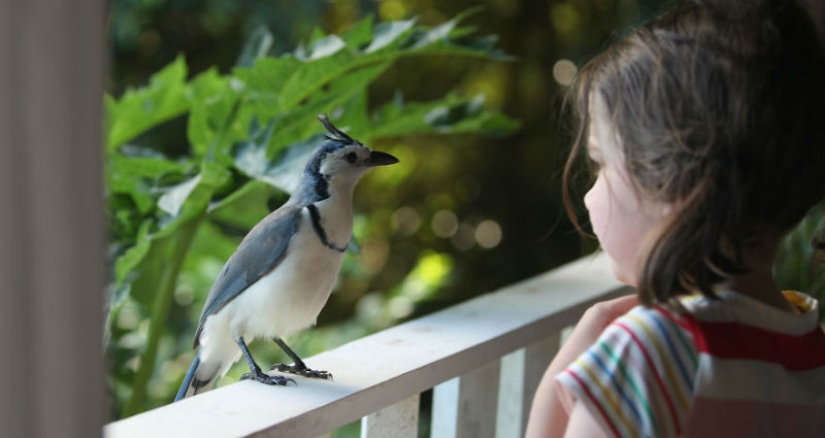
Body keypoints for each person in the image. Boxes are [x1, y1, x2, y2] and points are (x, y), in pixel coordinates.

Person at [525, 0, 825, 437]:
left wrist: (562, 380)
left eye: (600, 162)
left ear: (675, 178)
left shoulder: (646, 353)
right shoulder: (808, 349)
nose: (589, 195)